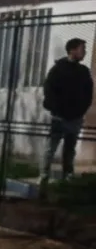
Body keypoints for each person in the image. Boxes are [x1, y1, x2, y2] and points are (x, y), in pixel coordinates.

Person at [41, 38, 93, 187]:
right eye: (82, 49)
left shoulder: (83, 71)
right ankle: (44, 175)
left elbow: (88, 94)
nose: (84, 52)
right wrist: (56, 109)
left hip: (75, 117)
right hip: (59, 116)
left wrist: (81, 110)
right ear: (72, 50)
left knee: (70, 149)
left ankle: (67, 176)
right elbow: (49, 90)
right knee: (51, 147)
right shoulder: (58, 69)